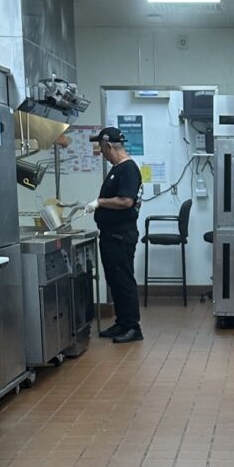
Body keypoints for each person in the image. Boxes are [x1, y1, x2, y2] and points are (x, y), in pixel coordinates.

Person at [85, 127, 144, 343]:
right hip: (111, 236)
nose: (102, 153)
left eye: (102, 149)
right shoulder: (116, 168)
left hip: (121, 236)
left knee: (123, 280)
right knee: (115, 281)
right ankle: (122, 322)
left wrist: (99, 202)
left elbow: (126, 201)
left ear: (109, 146)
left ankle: (132, 327)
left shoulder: (127, 169)